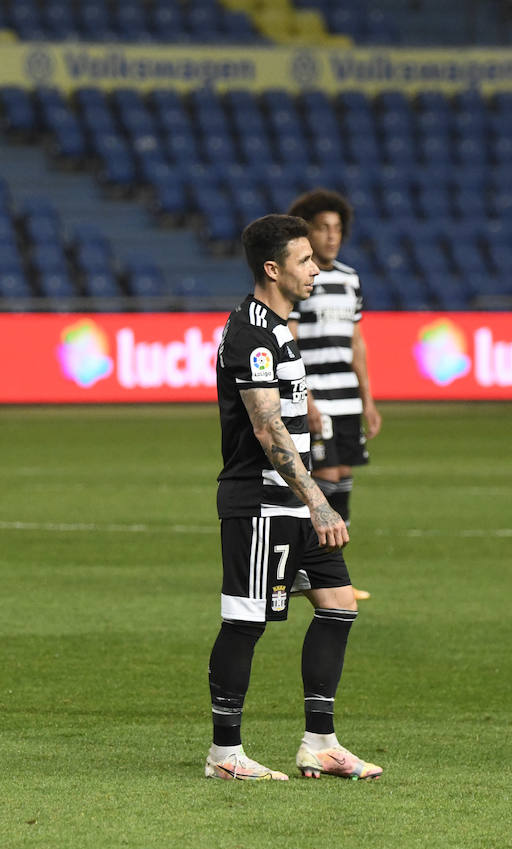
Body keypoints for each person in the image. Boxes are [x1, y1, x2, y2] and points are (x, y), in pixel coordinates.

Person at [205, 214, 381, 782]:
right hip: (261, 502)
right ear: (273, 269)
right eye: (305, 260)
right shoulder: (250, 333)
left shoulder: (281, 328)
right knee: (246, 622)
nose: (315, 267)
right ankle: (225, 754)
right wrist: (318, 499)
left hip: (294, 500)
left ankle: (319, 743)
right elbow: (264, 428)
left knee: (338, 605)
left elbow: (282, 412)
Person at [285, 189, 382, 602]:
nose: (331, 236)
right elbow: (290, 338)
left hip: (346, 398)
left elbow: (356, 341)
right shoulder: (300, 280)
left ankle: (329, 571)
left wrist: (369, 399)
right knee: (321, 481)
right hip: (317, 397)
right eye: (323, 228)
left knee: (342, 480)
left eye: (337, 229)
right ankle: (311, 570)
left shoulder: (349, 278)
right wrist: (304, 398)